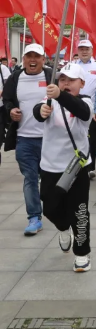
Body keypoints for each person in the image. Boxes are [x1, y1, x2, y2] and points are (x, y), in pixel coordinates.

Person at [34, 64, 94, 272]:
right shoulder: (49, 99)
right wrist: (40, 110)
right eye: (62, 80)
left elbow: (82, 112)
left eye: (71, 80)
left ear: (82, 83)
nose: (66, 83)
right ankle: (62, 227)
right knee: (49, 208)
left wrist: (60, 95)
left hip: (76, 168)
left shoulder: (85, 101)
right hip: (50, 166)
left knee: (80, 212)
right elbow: (38, 112)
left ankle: (82, 253)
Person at [3, 44, 51, 235]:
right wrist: (11, 110)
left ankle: (55, 209)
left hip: (50, 139)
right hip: (24, 139)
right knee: (30, 178)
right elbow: (7, 100)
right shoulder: (15, 77)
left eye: (36, 56)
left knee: (49, 180)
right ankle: (34, 217)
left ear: (43, 59)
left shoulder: (51, 76)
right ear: (23, 59)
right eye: (28, 56)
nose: (32, 60)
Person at [75, 40, 96, 180]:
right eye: (81, 49)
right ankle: (77, 167)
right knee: (76, 138)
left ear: (92, 51)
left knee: (92, 140)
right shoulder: (72, 66)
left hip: (92, 111)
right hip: (74, 108)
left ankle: (91, 167)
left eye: (87, 49)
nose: (84, 52)